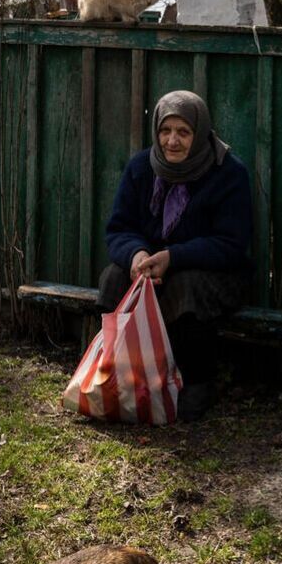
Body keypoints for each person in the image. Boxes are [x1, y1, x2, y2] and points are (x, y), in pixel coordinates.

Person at [100, 89, 253, 422]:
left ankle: (197, 381)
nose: (172, 141)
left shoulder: (228, 174)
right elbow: (118, 229)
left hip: (213, 274)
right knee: (113, 277)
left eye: (183, 132)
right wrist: (137, 256)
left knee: (185, 287)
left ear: (200, 134)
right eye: (165, 131)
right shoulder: (142, 168)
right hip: (153, 267)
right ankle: (123, 376)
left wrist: (173, 257)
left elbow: (230, 245)